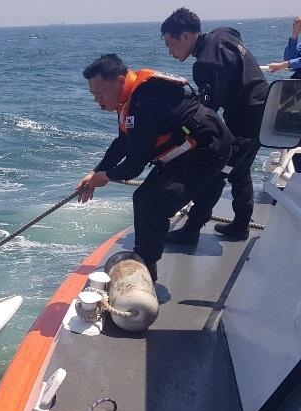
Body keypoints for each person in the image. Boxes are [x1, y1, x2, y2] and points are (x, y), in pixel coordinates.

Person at [76, 53, 233, 282]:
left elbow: (134, 166)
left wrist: (106, 176)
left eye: (100, 93)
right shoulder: (131, 97)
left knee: (153, 203)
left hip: (207, 149)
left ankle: (146, 270)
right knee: (142, 197)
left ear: (120, 81)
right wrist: (95, 171)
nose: (97, 99)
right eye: (93, 94)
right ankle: (147, 257)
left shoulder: (143, 103)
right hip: (188, 148)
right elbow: (123, 142)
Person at [160, 8, 268, 242]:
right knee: (239, 169)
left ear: (186, 36)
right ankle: (240, 226)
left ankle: (191, 231)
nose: (170, 52)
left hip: (246, 120)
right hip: (263, 111)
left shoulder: (205, 64)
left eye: (171, 45)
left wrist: (181, 131)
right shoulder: (223, 34)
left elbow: (208, 110)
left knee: (216, 172)